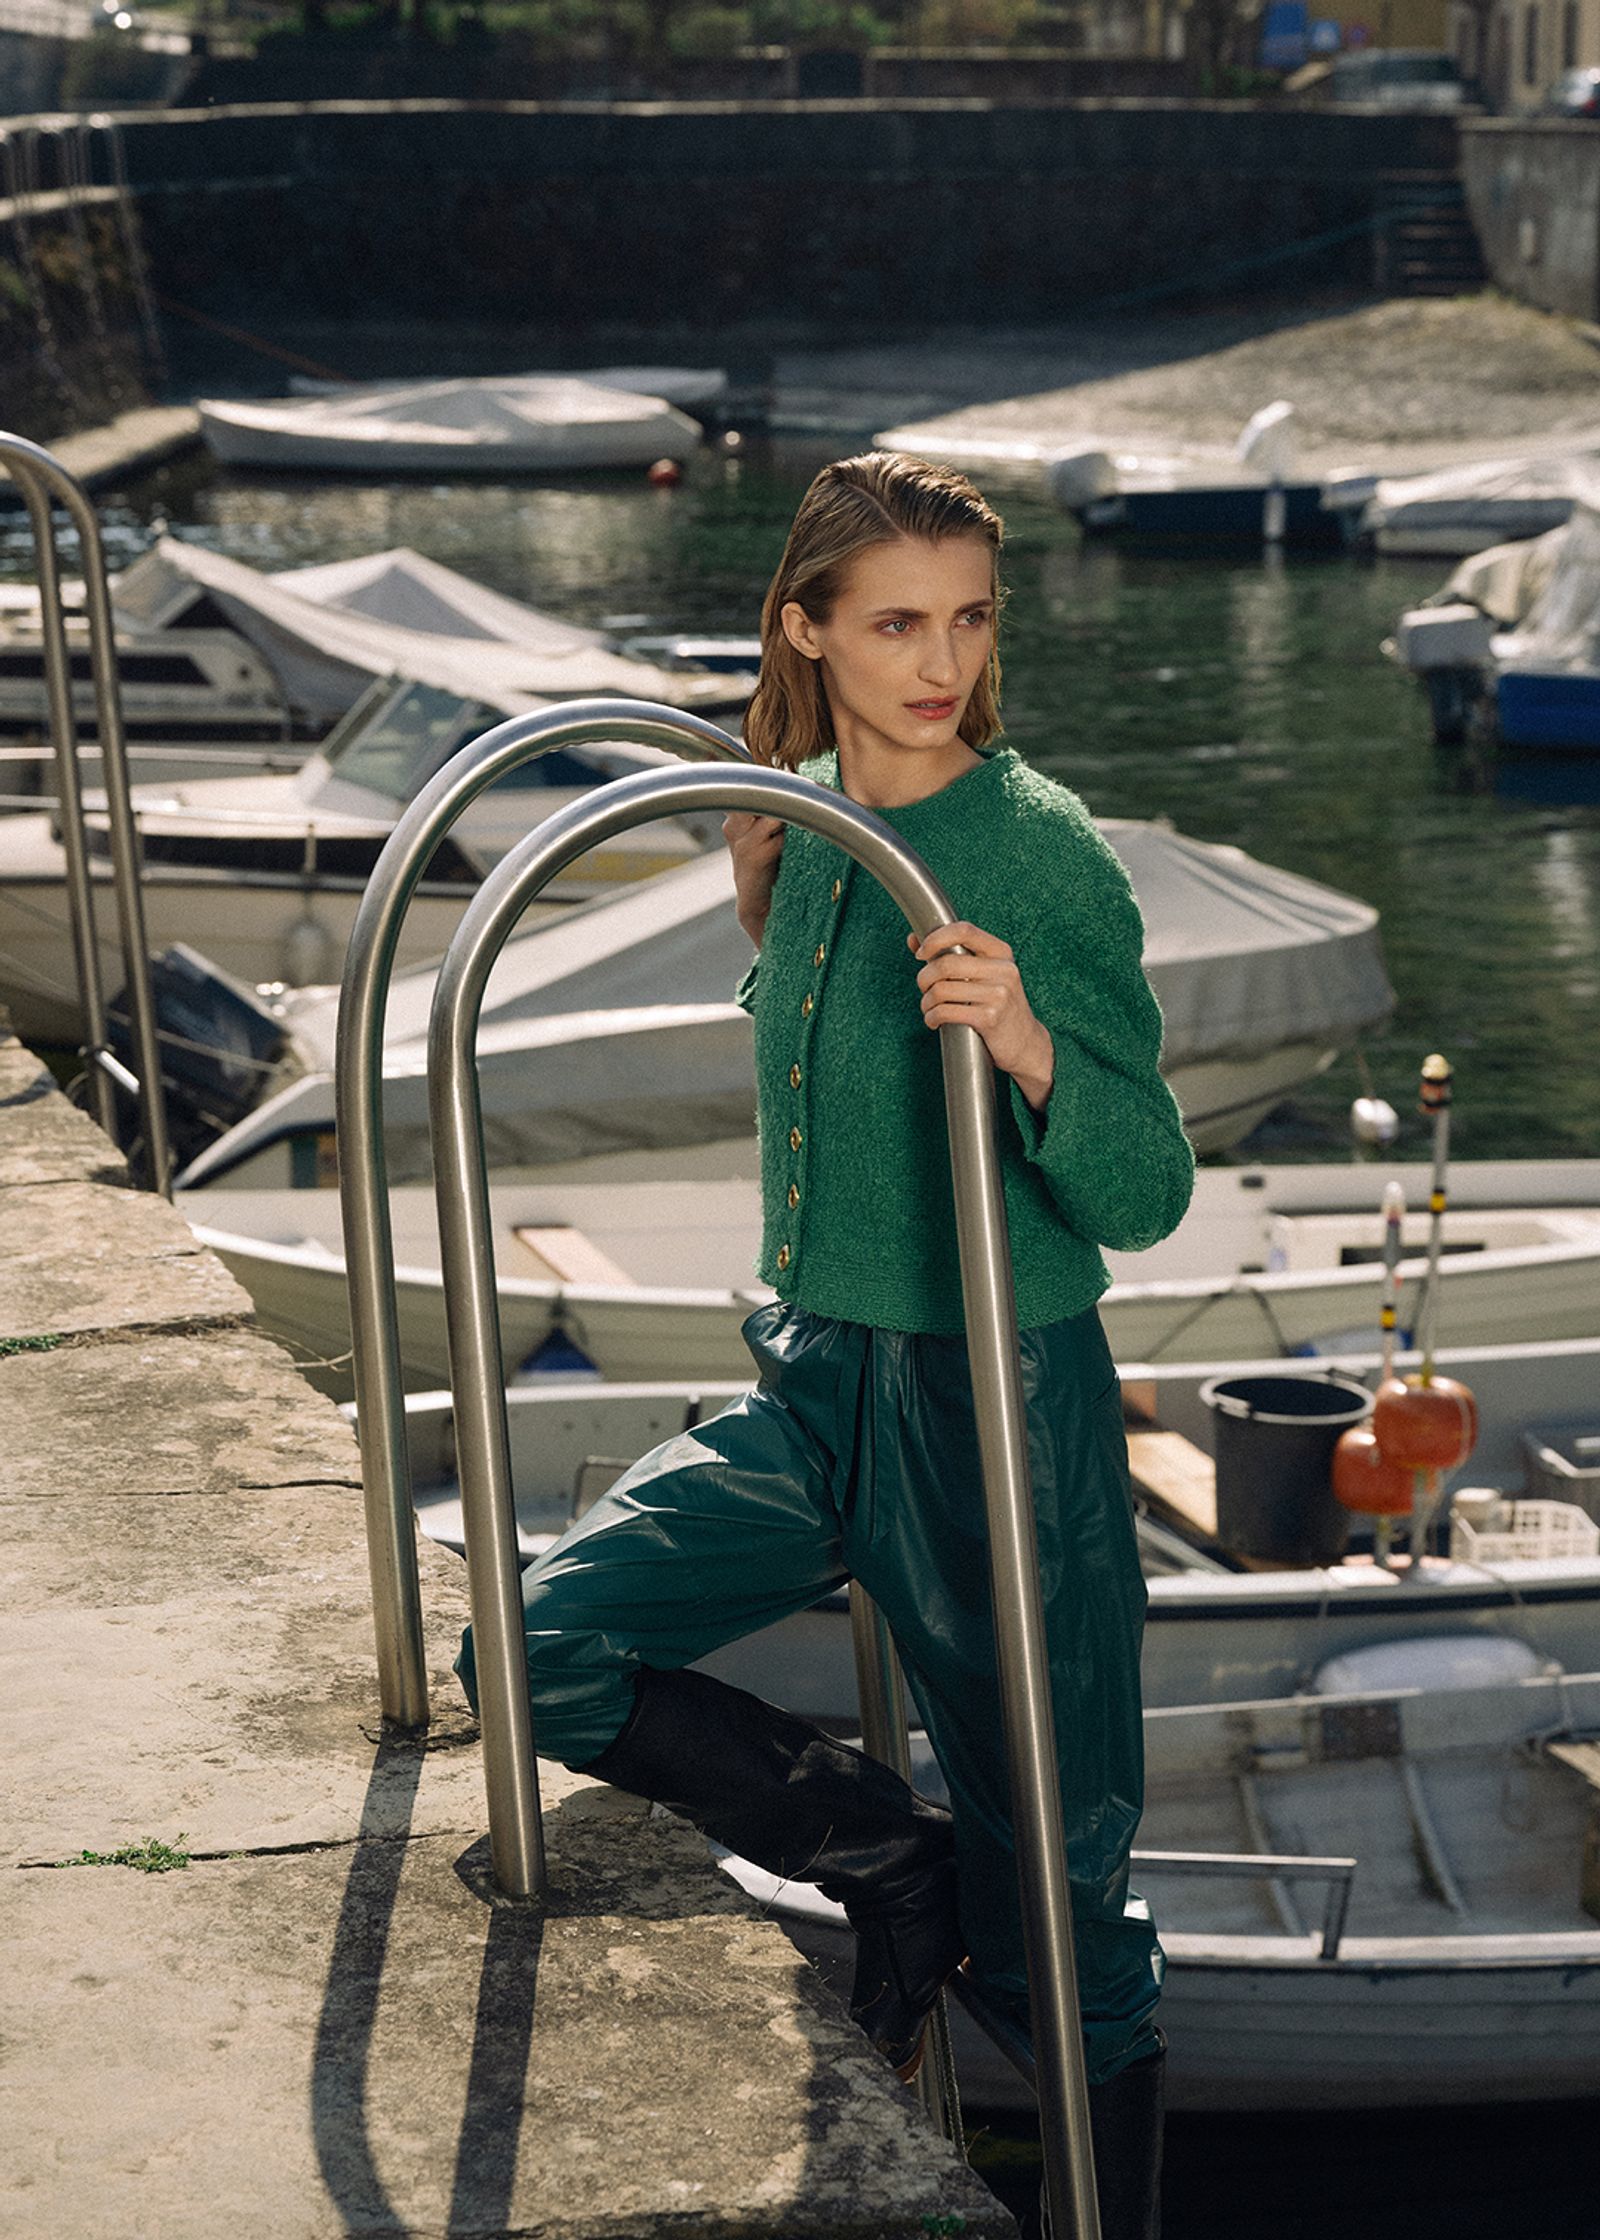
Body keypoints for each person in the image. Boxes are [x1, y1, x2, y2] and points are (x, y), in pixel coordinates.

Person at [456, 451, 1195, 2239]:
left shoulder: (1038, 849)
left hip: (1002, 1409)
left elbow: (1149, 1183)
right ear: (806, 628)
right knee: (536, 1649)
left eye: (967, 619)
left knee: (1069, 1924)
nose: (939, 661)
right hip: (815, 1384)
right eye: (894, 624)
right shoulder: (777, 816)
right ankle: (881, 1859)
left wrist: (1023, 1038)